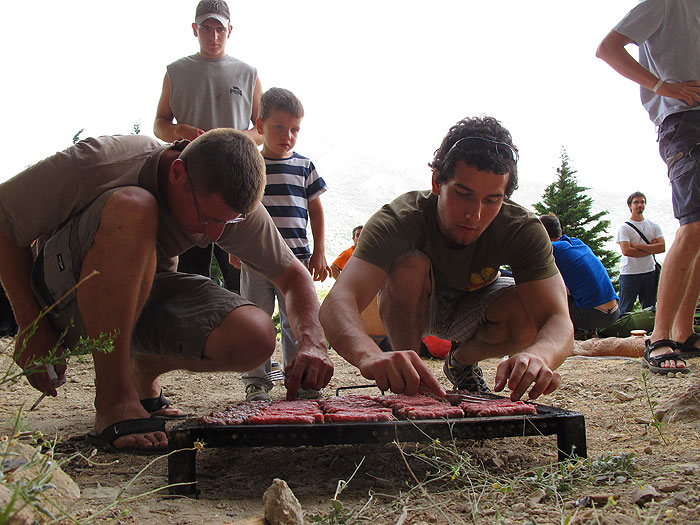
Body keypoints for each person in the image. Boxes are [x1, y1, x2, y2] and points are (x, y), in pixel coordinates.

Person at [0, 129, 333, 453]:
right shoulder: (103, 161)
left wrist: (313, 343)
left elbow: (294, 276)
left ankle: (141, 371)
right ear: (177, 173)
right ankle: (114, 400)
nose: (216, 233)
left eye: (229, 223)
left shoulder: (229, 204)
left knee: (255, 335)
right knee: (134, 206)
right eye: (209, 217)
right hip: (63, 296)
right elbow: (5, 221)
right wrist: (31, 323)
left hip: (140, 296)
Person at [319, 116, 572, 401]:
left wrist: (540, 355)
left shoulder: (521, 228)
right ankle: (410, 371)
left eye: (492, 200)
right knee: (409, 266)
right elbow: (338, 301)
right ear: (437, 182)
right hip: (414, 304)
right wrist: (368, 356)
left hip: (475, 307)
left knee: (535, 306)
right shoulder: (398, 219)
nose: (474, 215)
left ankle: (461, 361)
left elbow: (557, 318)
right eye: (463, 194)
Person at [597, 0, 700, 373]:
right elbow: (607, 48)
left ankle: (684, 332)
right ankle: (659, 337)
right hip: (684, 121)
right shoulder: (667, 2)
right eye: (636, 202)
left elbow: (654, 246)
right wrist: (661, 86)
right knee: (694, 226)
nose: (639, 205)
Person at [154, 0, 263, 293]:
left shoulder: (248, 74)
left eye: (219, 29)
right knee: (190, 270)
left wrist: (235, 138)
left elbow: (261, 130)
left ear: (230, 30)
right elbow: (159, 124)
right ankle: (191, 333)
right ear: (194, 29)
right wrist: (179, 130)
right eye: (206, 29)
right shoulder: (176, 72)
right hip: (190, 181)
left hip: (236, 180)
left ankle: (240, 330)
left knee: (238, 270)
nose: (213, 37)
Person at [240, 88, 331, 402]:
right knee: (255, 320)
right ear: (260, 124)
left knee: (297, 321)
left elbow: (315, 210)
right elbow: (238, 208)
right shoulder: (250, 164)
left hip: (296, 259)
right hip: (255, 260)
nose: (288, 135)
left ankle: (303, 377)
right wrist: (233, 249)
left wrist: (319, 251)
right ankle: (257, 381)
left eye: (295, 129)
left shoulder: (305, 166)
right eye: (279, 127)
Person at [539, 214, 620, 337]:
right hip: (613, 313)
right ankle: (588, 332)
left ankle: (563, 336)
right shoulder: (577, 243)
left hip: (591, 315)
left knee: (544, 292)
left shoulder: (553, 249)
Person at [615, 192, 664, 314]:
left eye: (642, 202)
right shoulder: (624, 228)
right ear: (630, 206)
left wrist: (636, 246)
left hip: (649, 272)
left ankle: (648, 332)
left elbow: (662, 247)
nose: (639, 205)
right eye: (636, 202)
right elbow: (626, 251)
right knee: (625, 310)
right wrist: (650, 248)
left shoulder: (654, 226)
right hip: (630, 273)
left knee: (650, 309)